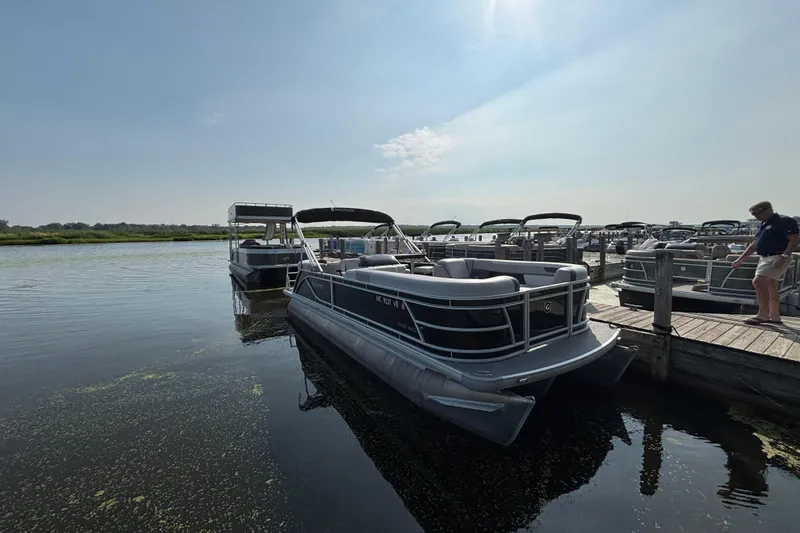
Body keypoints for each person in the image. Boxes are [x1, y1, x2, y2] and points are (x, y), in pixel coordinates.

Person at [732, 201, 799, 325]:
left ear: (768, 209)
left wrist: (784, 256)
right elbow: (755, 244)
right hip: (764, 258)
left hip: (778, 256)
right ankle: (774, 316)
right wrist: (740, 258)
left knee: (758, 281)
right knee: (770, 286)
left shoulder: (785, 221)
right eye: (753, 214)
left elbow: (794, 240)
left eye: (757, 213)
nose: (755, 216)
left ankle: (763, 314)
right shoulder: (763, 224)